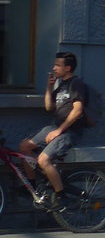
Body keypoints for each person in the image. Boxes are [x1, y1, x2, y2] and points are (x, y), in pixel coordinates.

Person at [20, 51, 87, 210]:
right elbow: (49, 107)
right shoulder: (62, 84)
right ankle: (34, 186)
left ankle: (61, 196)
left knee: (43, 160)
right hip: (55, 127)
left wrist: (59, 131)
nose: (54, 68)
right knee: (24, 147)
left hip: (69, 131)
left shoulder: (76, 84)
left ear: (68, 68)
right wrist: (49, 87)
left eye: (58, 65)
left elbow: (77, 111)